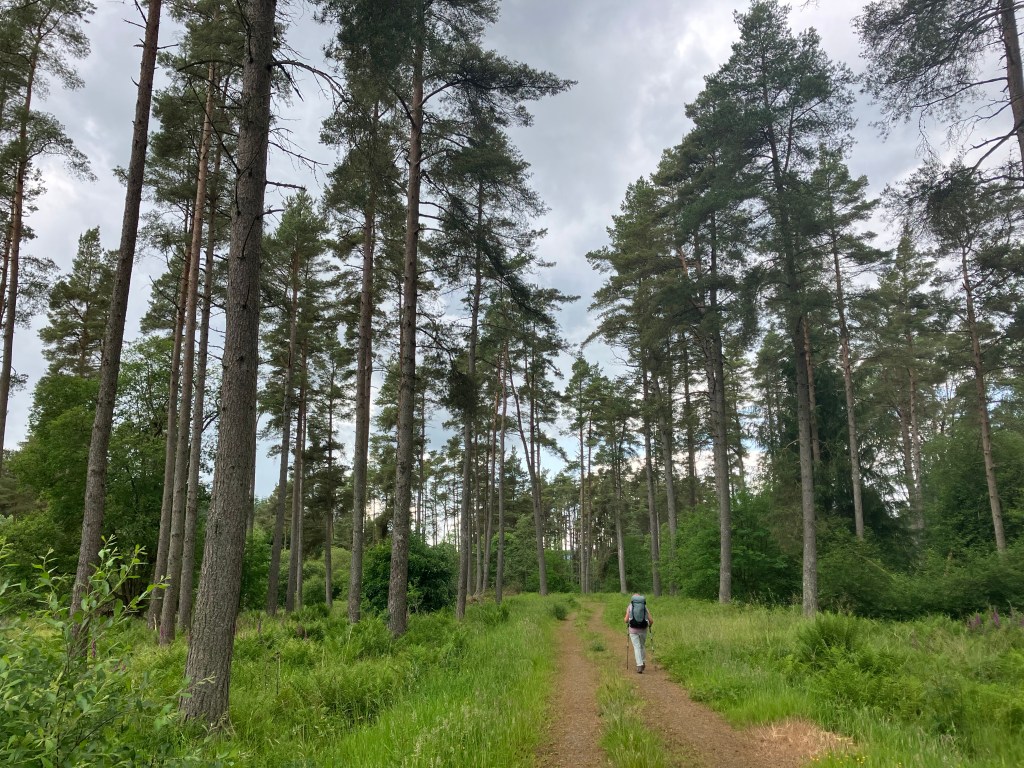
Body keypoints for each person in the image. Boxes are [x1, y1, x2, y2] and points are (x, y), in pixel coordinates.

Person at [624, 593, 652, 673]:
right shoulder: (644, 607)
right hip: (643, 629)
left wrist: (627, 620)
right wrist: (649, 625)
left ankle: (639, 665)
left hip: (633, 630)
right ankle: (643, 662)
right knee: (642, 646)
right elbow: (651, 620)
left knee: (637, 647)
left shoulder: (630, 606)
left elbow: (626, 620)